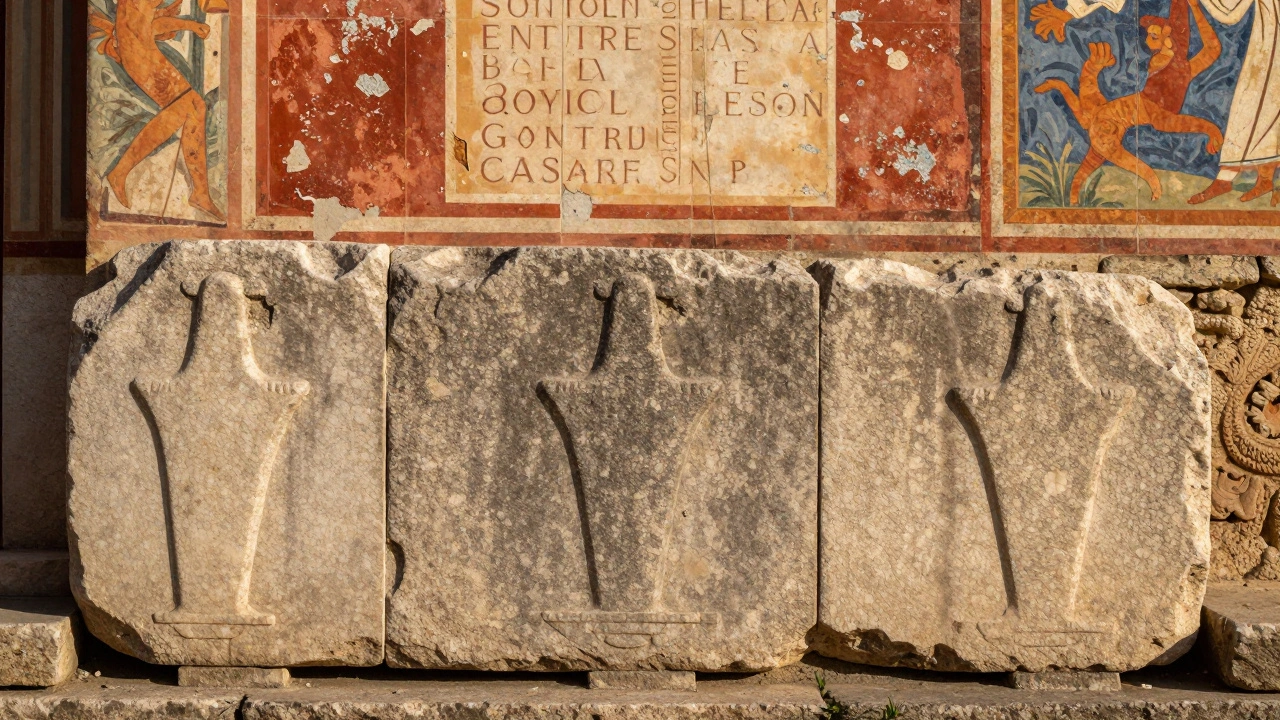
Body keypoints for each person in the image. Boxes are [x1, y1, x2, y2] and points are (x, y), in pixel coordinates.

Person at [1030, 0, 1279, 205]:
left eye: (1152, 36)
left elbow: (1079, 95)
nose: (1147, 41)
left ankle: (1254, 177)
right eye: (1151, 36)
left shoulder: (1102, 120)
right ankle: (1251, 177)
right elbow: (1209, 51)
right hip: (1156, 93)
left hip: (1147, 96)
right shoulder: (1172, 71)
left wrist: (1081, 71)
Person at [90, 0, 228, 220]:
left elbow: (149, 24)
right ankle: (120, 172)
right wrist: (189, 24)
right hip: (140, 55)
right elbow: (139, 24)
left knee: (195, 107)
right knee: (190, 107)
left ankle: (200, 193)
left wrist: (189, 26)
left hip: (142, 50)